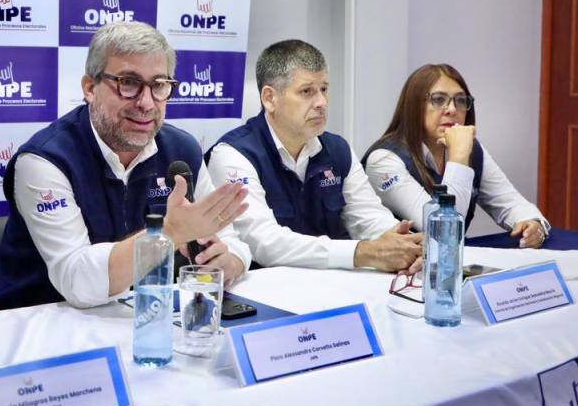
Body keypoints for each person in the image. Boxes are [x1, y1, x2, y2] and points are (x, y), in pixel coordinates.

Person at [0, 21, 251, 309]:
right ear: (90, 88)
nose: (146, 103)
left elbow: (230, 238)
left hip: (142, 314)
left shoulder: (181, 150)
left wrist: (231, 260)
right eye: (128, 83)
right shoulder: (44, 160)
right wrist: (169, 233)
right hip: (41, 318)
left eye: (159, 85)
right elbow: (76, 281)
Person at [206, 39, 422, 272]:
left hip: (336, 286)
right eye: (306, 91)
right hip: (265, 288)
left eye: (324, 89)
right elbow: (264, 242)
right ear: (269, 98)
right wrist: (361, 253)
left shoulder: (337, 149)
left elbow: (369, 217)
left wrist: (405, 245)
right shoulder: (233, 155)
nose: (321, 102)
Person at [362, 63, 549, 247]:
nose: (452, 109)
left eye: (460, 100)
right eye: (438, 99)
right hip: (400, 265)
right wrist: (459, 157)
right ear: (414, 106)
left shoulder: (470, 148)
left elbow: (509, 202)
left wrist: (533, 224)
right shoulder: (383, 160)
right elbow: (444, 231)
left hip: (446, 261)